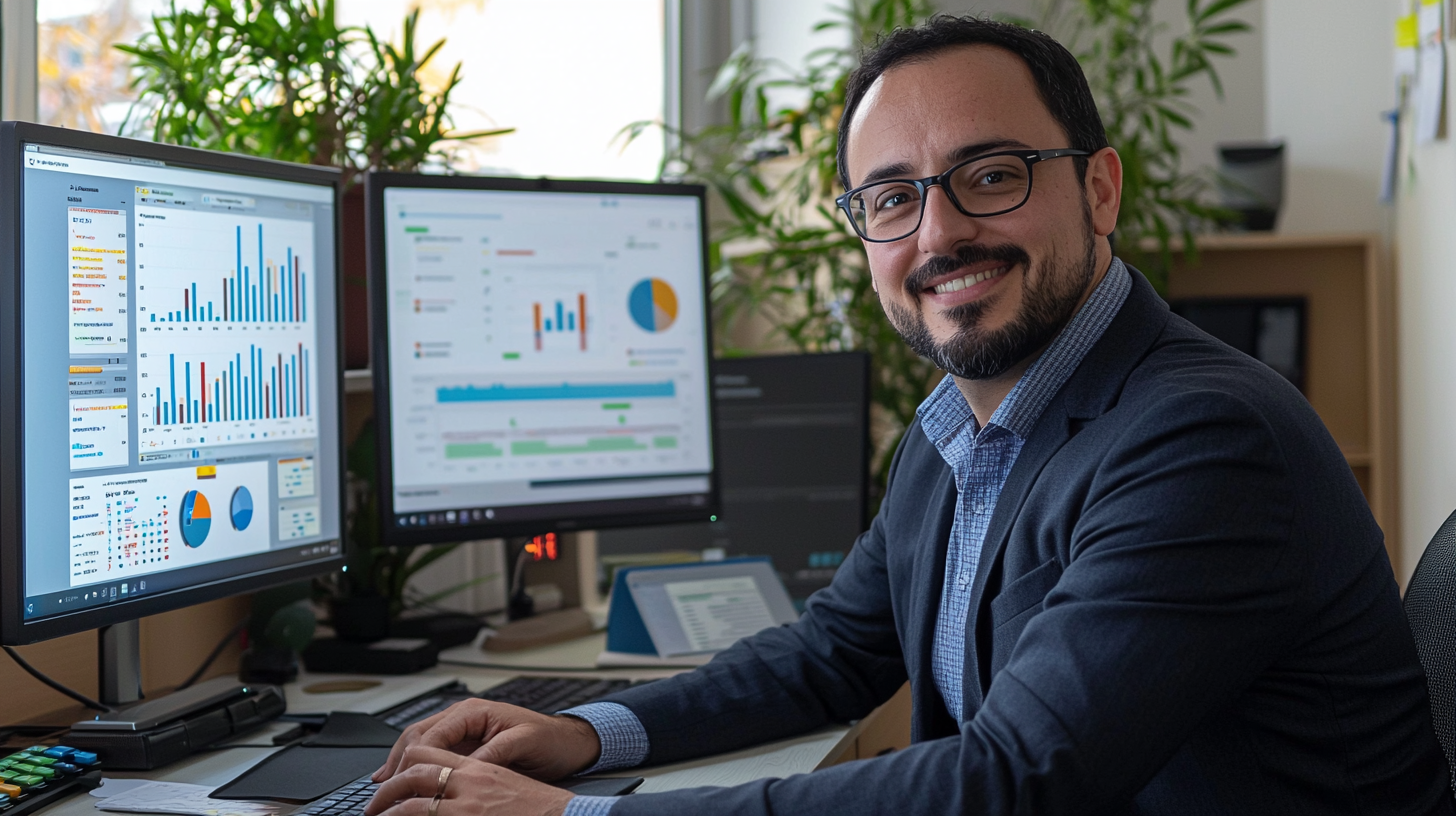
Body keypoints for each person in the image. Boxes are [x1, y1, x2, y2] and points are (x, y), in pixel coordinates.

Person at [362, 16, 1453, 816]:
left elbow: (1015, 782)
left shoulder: (1201, 440)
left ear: (1100, 189)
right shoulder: (958, 427)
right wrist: (580, 735)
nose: (937, 234)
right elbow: (833, 654)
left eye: (990, 173)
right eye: (891, 197)